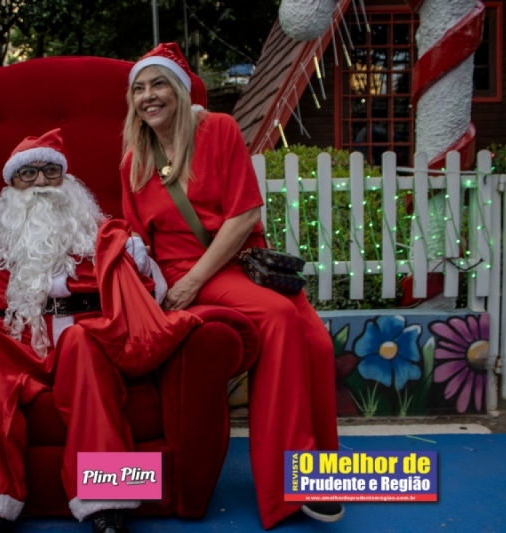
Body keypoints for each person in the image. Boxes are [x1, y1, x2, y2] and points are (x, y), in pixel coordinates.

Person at [0, 129, 196, 533]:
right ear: (11, 185)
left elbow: (145, 299)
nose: (40, 182)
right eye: (27, 174)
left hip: (83, 343)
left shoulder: (99, 235)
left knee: (83, 341)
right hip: (15, 346)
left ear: (67, 179)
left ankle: (108, 502)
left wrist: (141, 266)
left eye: (50, 171)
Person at [120, 43, 343, 529]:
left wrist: (197, 278)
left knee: (318, 345)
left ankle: (323, 470)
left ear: (180, 90)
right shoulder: (134, 163)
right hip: (186, 275)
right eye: (139, 88)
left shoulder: (217, 130)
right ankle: (290, 481)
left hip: (240, 261)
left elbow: (244, 214)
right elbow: (138, 241)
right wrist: (166, 292)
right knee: (279, 319)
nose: (148, 96)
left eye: (158, 84)